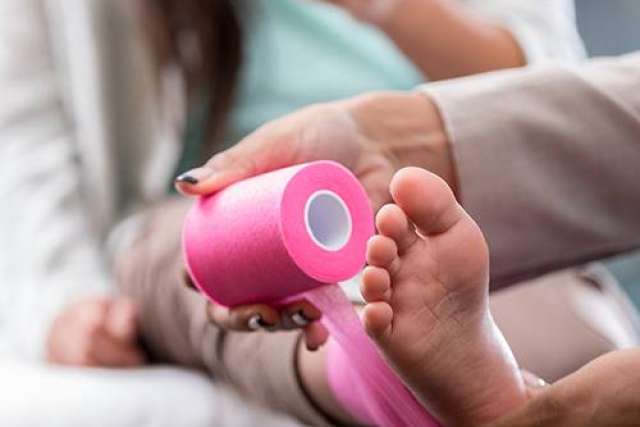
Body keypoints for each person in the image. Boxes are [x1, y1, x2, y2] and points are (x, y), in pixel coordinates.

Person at [162, 52, 640, 425]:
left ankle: (372, 378)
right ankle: (405, 380)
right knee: (168, 253)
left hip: (398, 209)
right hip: (327, 191)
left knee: (164, 257)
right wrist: (381, 141)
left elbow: (530, 55)